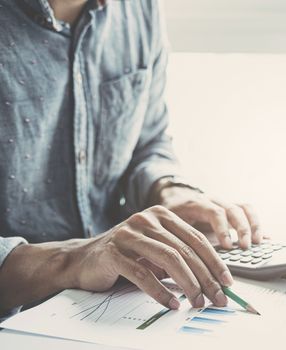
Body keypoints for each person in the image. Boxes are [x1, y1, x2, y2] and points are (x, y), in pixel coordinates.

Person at [0, 0, 262, 320]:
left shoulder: (139, 8)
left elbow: (148, 142)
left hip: (114, 306)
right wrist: (72, 260)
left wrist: (169, 191)